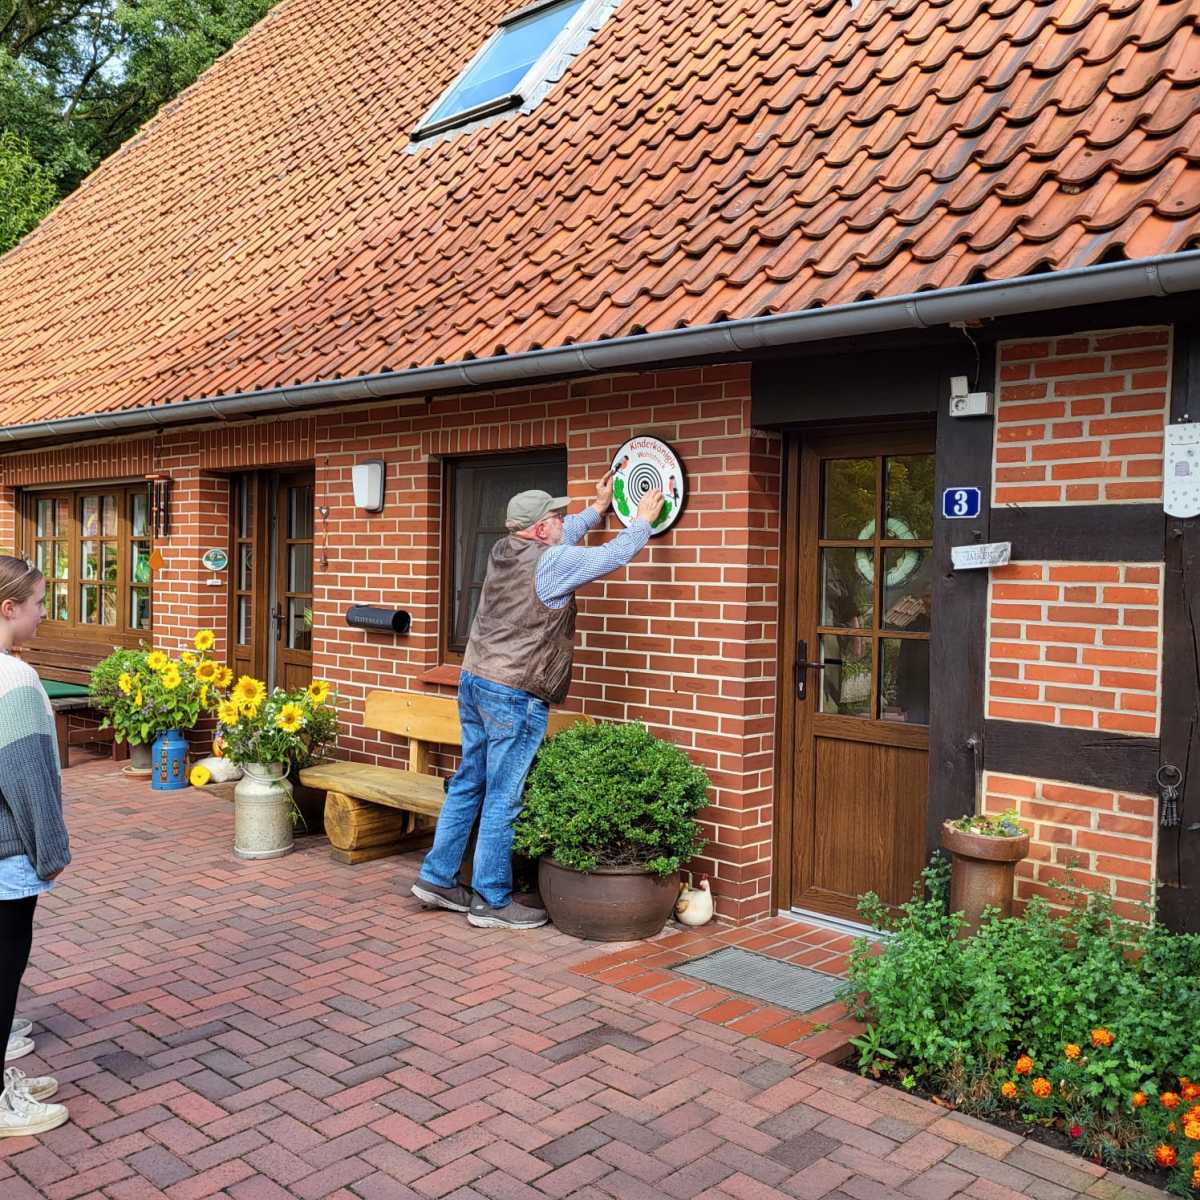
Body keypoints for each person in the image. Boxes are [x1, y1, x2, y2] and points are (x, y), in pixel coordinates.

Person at [412, 471, 664, 930]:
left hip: (475, 679)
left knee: (469, 782)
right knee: (503, 797)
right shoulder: (552, 562)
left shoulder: (502, 548)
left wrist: (598, 508)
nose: (563, 521)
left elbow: (563, 535)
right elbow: (612, 556)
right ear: (540, 527)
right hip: (513, 690)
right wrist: (643, 520)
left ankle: (437, 877)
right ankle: (491, 900)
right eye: (556, 516)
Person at [0, 557, 71, 1137]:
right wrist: (51, 852)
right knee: (4, 972)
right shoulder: (14, 681)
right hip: (8, 853)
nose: (44, 613)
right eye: (39, 603)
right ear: (9, 608)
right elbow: (28, 780)